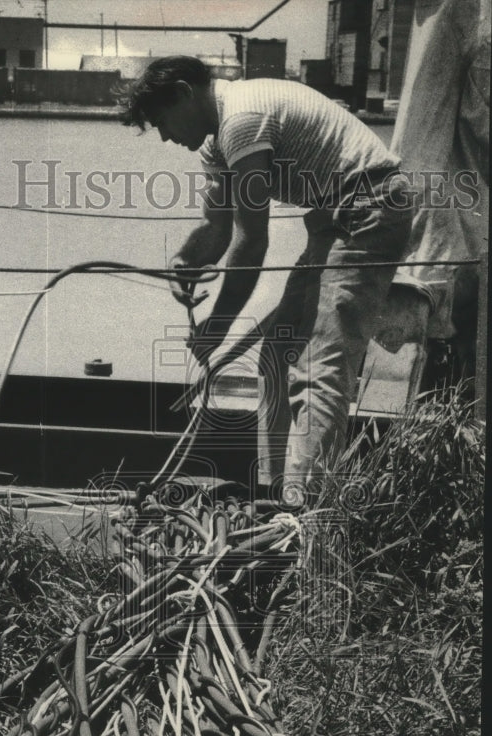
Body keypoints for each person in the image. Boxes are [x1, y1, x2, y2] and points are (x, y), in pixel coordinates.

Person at [121, 56, 415, 505]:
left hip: (370, 208)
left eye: (162, 121)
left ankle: (308, 511)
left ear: (183, 93)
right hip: (332, 219)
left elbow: (251, 241)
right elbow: (217, 227)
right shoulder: (217, 141)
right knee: (277, 356)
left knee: (320, 366)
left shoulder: (241, 119)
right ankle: (273, 494)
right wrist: (185, 257)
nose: (164, 136)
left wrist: (216, 328)